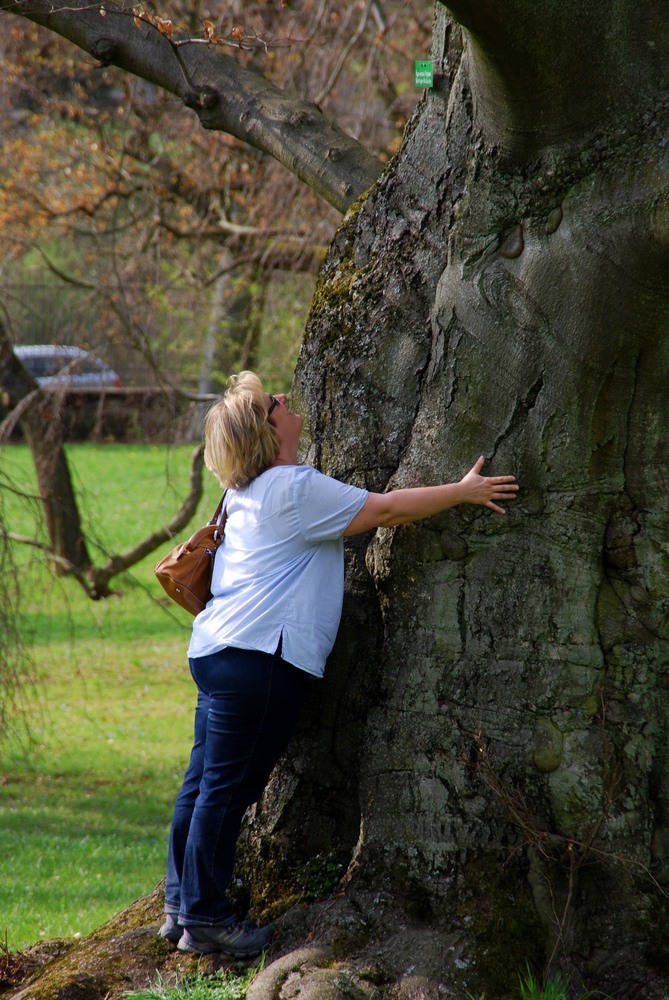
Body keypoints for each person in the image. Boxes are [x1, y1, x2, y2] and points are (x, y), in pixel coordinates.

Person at [159, 371, 518, 957]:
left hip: (217, 653)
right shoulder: (293, 488)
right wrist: (461, 491)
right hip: (258, 660)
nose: (286, 400)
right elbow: (384, 511)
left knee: (202, 784)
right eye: (276, 402)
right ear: (269, 430)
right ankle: (204, 919)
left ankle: (180, 906)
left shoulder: (242, 492)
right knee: (224, 792)